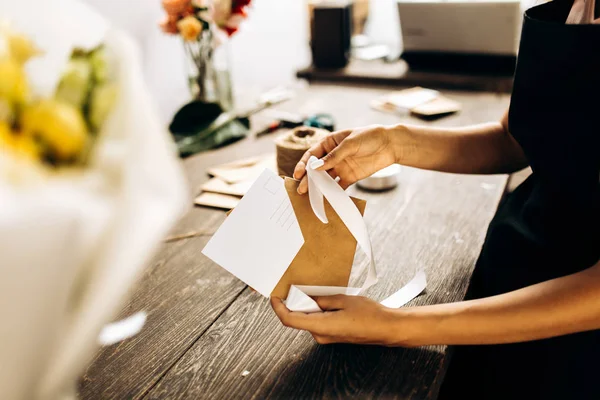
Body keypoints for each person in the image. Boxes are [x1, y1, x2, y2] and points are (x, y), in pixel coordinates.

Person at [270, 0, 600, 398]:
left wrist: (396, 328)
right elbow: (517, 138)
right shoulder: (575, 7)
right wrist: (393, 143)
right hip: (508, 270)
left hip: (565, 345)